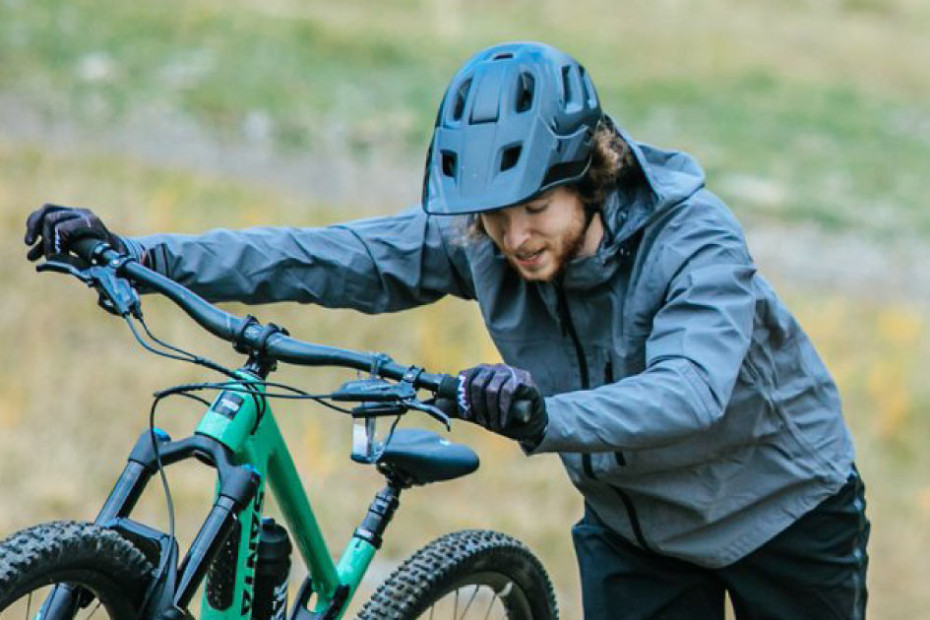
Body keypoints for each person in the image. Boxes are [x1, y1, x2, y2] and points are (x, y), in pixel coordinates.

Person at [25, 42, 869, 619]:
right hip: (635, 527)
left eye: (536, 208)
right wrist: (144, 252)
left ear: (593, 176)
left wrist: (541, 414)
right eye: (494, 217)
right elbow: (335, 257)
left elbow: (690, 390)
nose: (514, 237)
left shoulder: (695, 241)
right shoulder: (489, 240)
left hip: (782, 517)